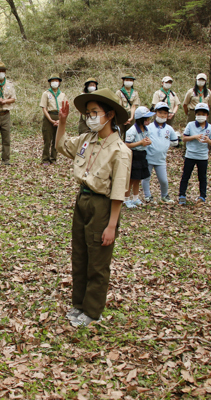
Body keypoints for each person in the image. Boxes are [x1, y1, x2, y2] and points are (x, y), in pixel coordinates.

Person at [55, 89, 131, 327]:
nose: (90, 117)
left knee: (98, 260)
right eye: (88, 113)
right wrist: (63, 122)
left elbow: (118, 192)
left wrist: (111, 225)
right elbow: (61, 147)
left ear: (109, 115)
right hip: (82, 201)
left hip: (102, 206)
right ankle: (79, 304)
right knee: (80, 255)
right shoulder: (87, 139)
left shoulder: (120, 150)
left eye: (95, 112)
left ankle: (92, 311)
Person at [178, 102, 211, 204]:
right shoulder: (190, 125)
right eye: (198, 114)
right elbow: (184, 138)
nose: (201, 116)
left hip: (203, 156)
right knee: (186, 175)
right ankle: (182, 195)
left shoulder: (210, 128)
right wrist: (194, 137)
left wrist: (208, 141)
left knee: (202, 177)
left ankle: (202, 196)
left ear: (207, 115)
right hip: (190, 154)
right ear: (195, 114)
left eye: (203, 114)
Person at [141, 102, 178, 204]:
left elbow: (175, 142)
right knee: (146, 178)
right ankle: (147, 196)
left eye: (165, 113)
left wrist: (166, 144)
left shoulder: (169, 129)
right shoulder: (149, 127)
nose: (162, 115)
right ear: (155, 113)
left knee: (164, 180)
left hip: (161, 159)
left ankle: (164, 195)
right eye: (160, 112)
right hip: (148, 158)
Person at [123, 106, 154, 208]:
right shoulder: (132, 131)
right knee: (131, 179)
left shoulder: (146, 130)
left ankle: (135, 198)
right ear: (140, 119)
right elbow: (127, 144)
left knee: (138, 178)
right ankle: (126, 199)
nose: (148, 121)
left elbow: (146, 140)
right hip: (133, 155)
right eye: (146, 119)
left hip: (142, 155)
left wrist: (148, 142)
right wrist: (139, 143)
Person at [40, 75, 68, 164]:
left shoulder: (62, 94)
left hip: (59, 116)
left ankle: (53, 158)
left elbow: (65, 108)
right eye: (53, 81)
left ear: (59, 83)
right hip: (49, 116)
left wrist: (61, 120)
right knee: (47, 139)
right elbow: (44, 108)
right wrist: (51, 120)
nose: (55, 82)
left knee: (57, 139)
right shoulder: (46, 94)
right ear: (50, 82)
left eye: (56, 81)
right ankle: (45, 159)